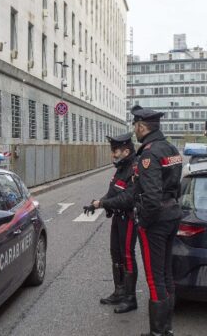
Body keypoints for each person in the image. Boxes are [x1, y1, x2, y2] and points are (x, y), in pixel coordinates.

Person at [91, 106, 183, 336]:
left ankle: (158, 332)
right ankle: (166, 329)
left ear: (142, 126)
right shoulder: (170, 148)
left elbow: (150, 197)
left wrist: (143, 221)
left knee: (155, 278)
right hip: (172, 214)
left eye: (135, 126)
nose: (135, 130)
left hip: (157, 221)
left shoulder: (149, 154)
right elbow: (175, 187)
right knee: (166, 275)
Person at [85, 133, 139, 314]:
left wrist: (103, 204)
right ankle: (119, 292)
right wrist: (96, 203)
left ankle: (130, 298)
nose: (113, 155)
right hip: (117, 218)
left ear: (126, 150)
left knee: (127, 256)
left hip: (129, 218)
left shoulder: (134, 168)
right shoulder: (122, 168)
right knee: (116, 255)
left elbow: (127, 199)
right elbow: (112, 193)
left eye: (115, 151)